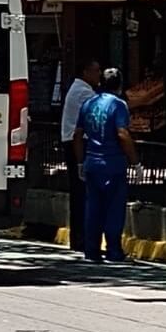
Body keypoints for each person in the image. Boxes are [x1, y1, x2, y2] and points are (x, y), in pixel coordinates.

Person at [73, 67, 139, 263]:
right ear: (120, 85)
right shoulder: (119, 105)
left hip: (92, 161)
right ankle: (113, 250)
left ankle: (91, 249)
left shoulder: (89, 103)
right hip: (113, 163)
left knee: (93, 207)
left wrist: (79, 161)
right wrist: (135, 162)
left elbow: (77, 135)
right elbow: (122, 134)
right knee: (114, 209)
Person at [60, 59, 101, 252]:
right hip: (78, 144)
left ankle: (81, 238)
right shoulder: (84, 92)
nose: (99, 74)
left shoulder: (79, 89)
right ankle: (82, 238)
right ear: (86, 72)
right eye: (96, 70)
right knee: (83, 193)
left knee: (80, 193)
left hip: (75, 142)